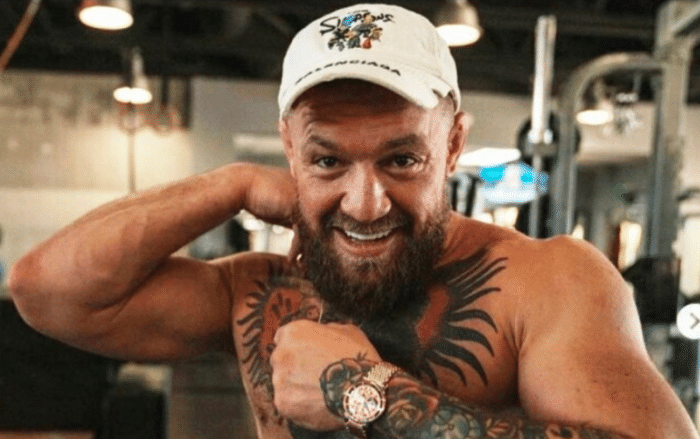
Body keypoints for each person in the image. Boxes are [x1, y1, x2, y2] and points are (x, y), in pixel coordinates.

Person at [7, 4, 698, 439]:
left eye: (402, 159)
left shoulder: (546, 282)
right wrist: (231, 184)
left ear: (453, 143)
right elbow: (47, 291)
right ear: (289, 147)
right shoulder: (255, 290)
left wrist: (364, 392)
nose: (365, 203)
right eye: (328, 161)